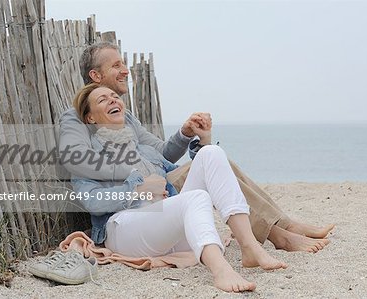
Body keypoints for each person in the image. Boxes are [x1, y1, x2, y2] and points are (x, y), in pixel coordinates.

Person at [59, 42, 333, 253]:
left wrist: (184, 133)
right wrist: (138, 178)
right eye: (116, 65)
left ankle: (281, 227)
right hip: (133, 203)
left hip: (159, 185)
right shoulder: (75, 117)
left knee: (215, 158)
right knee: (210, 163)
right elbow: (76, 160)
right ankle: (280, 231)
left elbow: (162, 153)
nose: (125, 70)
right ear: (95, 75)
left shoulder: (126, 117)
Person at [71, 83, 288, 292]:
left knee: (210, 153)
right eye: (103, 99)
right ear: (90, 117)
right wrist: (138, 189)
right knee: (196, 198)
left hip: (163, 223)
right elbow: (91, 200)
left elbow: (184, 172)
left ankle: (249, 246)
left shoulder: (145, 151)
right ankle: (221, 270)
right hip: (124, 227)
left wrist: (203, 140)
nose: (112, 99)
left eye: (114, 96)